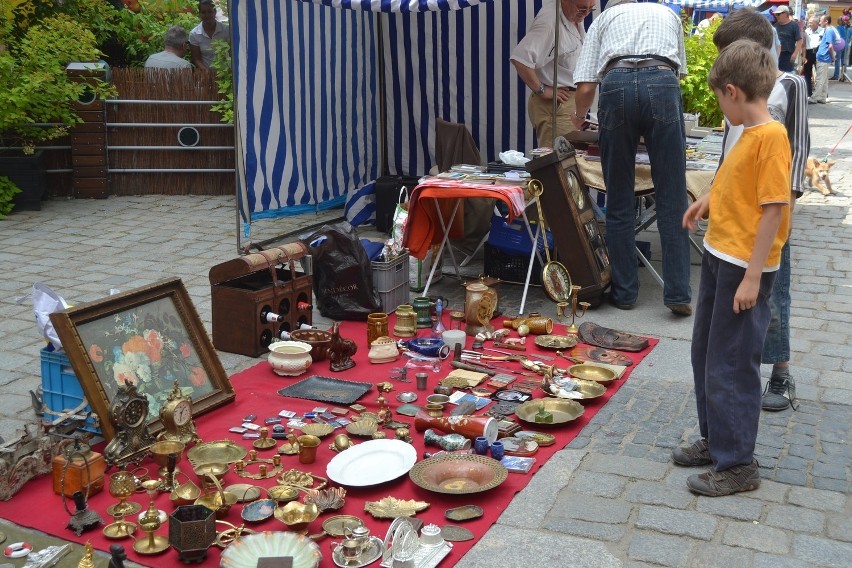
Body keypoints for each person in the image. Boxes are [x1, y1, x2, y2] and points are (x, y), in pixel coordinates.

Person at [675, 39, 791, 496]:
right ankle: (716, 440)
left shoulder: (772, 138)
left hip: (745, 268)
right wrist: (708, 198)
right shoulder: (749, 134)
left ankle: (739, 462)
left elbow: (774, 209)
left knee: (732, 363)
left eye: (720, 100)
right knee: (706, 353)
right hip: (721, 255)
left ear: (731, 91)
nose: (722, 108)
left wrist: (752, 276)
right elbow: (735, 182)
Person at [711, 8, 809, 412]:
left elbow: (797, 147)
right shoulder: (735, 93)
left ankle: (780, 372)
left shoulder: (789, 84)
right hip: (734, 214)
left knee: (775, 292)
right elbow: (732, 150)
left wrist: (788, 203)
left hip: (772, 207)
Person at [571, 0, 692, 316]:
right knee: (672, 195)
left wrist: (579, 115)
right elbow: (676, 74)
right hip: (663, 79)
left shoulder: (605, 16)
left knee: (619, 196)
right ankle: (678, 293)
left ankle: (625, 294)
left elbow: (585, 86)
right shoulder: (668, 13)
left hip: (617, 82)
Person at [510, 0, 595, 147]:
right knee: (559, 160)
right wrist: (542, 89)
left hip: (571, 104)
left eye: (590, 9)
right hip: (558, 105)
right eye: (581, 9)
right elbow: (520, 58)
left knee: (570, 158)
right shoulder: (549, 23)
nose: (586, 13)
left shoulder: (571, 16)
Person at [189, 0, 229, 70]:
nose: (207, 15)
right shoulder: (194, 34)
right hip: (206, 74)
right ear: (199, 14)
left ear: (215, 12)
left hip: (225, 74)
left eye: (210, 12)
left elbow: (231, 53)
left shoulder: (226, 30)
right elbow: (197, 59)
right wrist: (208, 73)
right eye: (203, 12)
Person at [811, 14, 838, 104]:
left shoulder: (829, 31)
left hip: (823, 57)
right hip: (824, 57)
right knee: (824, 79)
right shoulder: (828, 30)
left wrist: (833, 57)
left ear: (826, 21)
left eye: (821, 20)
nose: (819, 22)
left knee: (820, 79)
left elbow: (830, 46)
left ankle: (815, 97)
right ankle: (822, 97)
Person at [773, 6, 802, 73]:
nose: (776, 16)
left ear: (785, 14)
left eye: (778, 14)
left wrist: (795, 54)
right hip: (777, 54)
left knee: (787, 75)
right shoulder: (775, 26)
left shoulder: (794, 25)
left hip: (788, 55)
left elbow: (800, 40)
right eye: (776, 14)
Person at [803, 16, 822, 97]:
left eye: (811, 23)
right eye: (809, 22)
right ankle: (808, 93)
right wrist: (803, 56)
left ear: (817, 24)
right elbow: (803, 44)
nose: (809, 24)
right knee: (807, 73)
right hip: (809, 52)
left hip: (818, 52)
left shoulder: (822, 31)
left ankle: (819, 93)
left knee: (820, 74)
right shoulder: (807, 31)